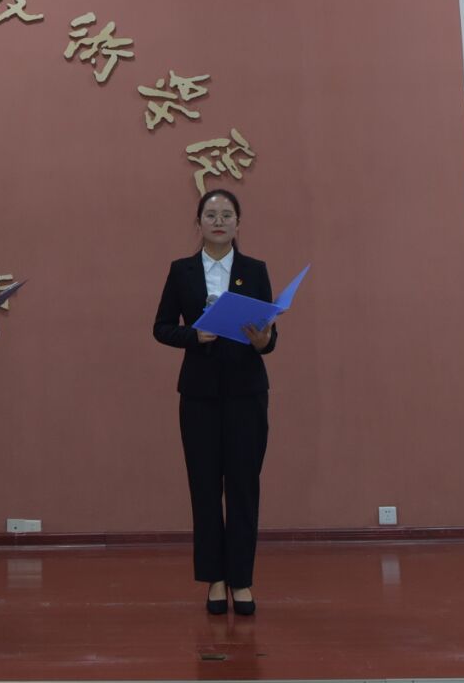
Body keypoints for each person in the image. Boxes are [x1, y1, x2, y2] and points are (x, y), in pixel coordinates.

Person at [152, 188, 276, 617]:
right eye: (211, 214)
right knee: (205, 488)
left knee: (243, 487)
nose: (219, 221)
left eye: (226, 214)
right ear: (199, 222)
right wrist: (194, 335)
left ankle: (241, 579)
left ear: (238, 223)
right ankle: (215, 579)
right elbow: (161, 327)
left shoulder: (255, 270)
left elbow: (269, 336)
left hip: (246, 394)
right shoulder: (182, 271)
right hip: (199, 395)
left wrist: (263, 340)